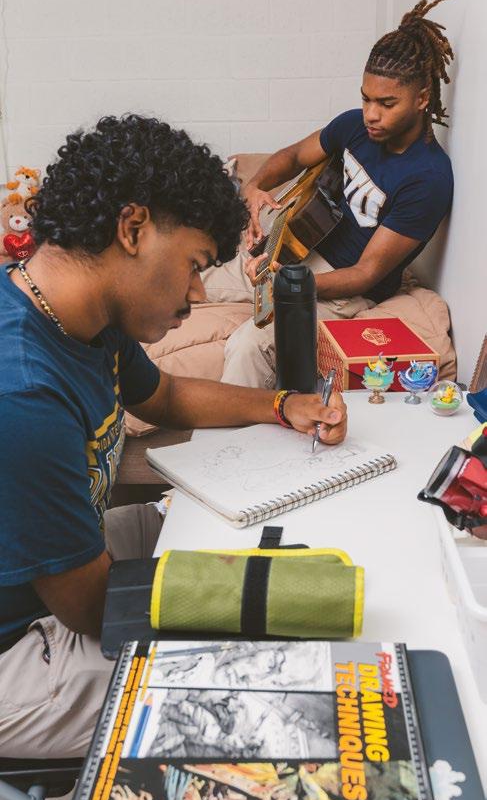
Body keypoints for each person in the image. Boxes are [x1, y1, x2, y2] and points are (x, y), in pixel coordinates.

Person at [0, 115, 346, 758]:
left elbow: (164, 395)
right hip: (22, 641)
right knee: (256, 683)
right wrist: (253, 599)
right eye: (194, 265)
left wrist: (281, 405)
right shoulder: (23, 395)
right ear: (132, 229)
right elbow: (93, 609)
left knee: (250, 535)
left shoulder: (86, 318)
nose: (196, 293)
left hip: (59, 569)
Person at [202, 0, 455, 388]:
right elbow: (292, 156)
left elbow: (365, 273)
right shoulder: (354, 126)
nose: (371, 114)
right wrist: (254, 188)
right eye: (366, 99)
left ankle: (231, 430)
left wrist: (288, 282)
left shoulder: (428, 177)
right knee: (188, 275)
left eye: (387, 103)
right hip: (296, 246)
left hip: (342, 287)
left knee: (249, 345)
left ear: (422, 99)